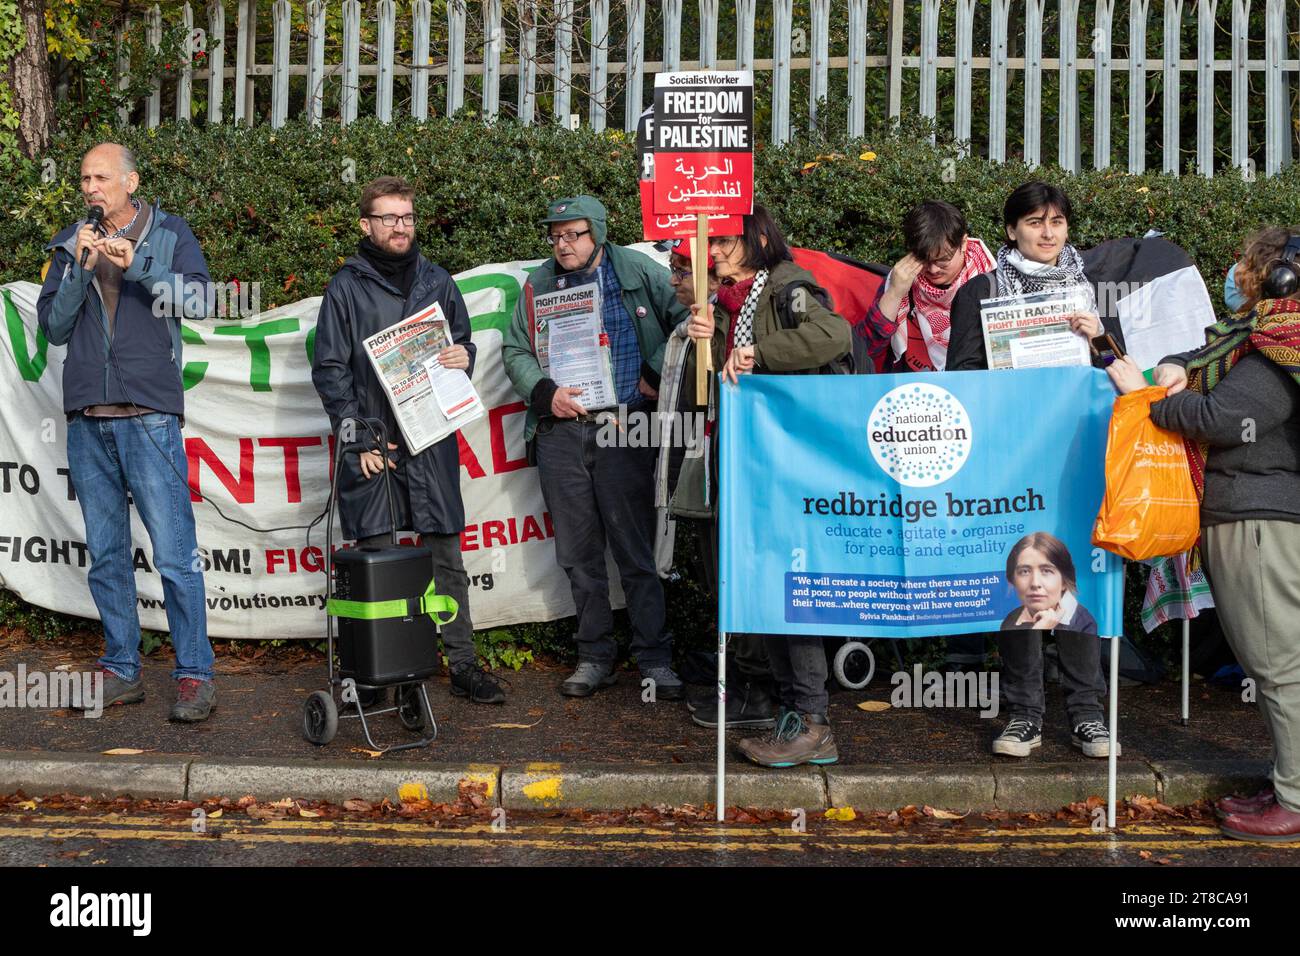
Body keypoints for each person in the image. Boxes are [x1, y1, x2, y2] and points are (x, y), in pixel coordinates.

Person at [1107, 224, 1300, 843]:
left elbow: (1224, 418)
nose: (1237, 271)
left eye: (1247, 263)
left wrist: (1145, 395)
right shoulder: (1252, 338)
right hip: (1246, 517)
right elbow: (1206, 368)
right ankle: (1290, 778)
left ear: (1276, 277)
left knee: (1277, 666)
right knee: (1277, 662)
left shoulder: (1279, 347)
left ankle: (1296, 799)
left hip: (1258, 521)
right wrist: (1178, 365)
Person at [36, 142, 216, 722]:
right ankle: (120, 670)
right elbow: (54, 328)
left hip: (150, 416)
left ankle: (194, 675)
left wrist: (136, 261)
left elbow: (201, 300)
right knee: (107, 553)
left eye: (101, 177)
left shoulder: (168, 233)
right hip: (90, 419)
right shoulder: (70, 243)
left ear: (130, 181)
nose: (91, 188)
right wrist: (80, 267)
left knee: (174, 555)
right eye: (85, 178)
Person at [311, 175, 505, 705]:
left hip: (431, 441)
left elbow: (461, 345)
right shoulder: (345, 287)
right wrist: (358, 443)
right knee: (377, 560)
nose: (401, 227)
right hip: (374, 447)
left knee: (446, 559)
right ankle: (376, 675)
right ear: (366, 225)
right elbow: (330, 371)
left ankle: (462, 665)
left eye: (408, 217)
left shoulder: (439, 281)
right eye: (390, 218)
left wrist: (463, 355)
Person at [679, 204, 853, 765]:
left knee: (792, 587)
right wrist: (699, 345)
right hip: (747, 465)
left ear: (756, 239)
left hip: (788, 468)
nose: (714, 253)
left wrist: (757, 353)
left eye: (726, 241)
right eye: (711, 245)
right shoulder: (724, 304)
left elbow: (834, 334)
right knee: (766, 589)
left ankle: (814, 720)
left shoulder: (785, 284)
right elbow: (702, 399)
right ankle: (793, 714)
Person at [502, 196, 687, 699]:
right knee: (577, 554)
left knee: (636, 549)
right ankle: (594, 657)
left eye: (575, 234)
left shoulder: (638, 270)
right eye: (556, 235)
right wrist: (545, 393)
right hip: (563, 432)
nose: (563, 244)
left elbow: (686, 321)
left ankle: (655, 658)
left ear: (598, 233)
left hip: (626, 427)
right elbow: (515, 349)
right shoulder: (538, 283)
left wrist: (653, 371)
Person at [946, 180, 1122, 372]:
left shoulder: (1093, 289)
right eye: (1035, 223)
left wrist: (1097, 341)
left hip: (1080, 400)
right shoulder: (980, 291)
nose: (1048, 234)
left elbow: (1119, 369)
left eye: (1056, 222)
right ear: (1012, 231)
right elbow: (961, 374)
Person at [994, 532, 1111, 758]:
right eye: (1024, 571)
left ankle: (1087, 716)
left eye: (1047, 571)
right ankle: (1024, 716)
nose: (1036, 583)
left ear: (1064, 577)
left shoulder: (1084, 617)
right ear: (1011, 579)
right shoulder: (1012, 618)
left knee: (1079, 621)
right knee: (1016, 624)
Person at [857, 200, 994, 373]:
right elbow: (864, 349)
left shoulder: (990, 284)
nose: (933, 269)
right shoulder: (902, 279)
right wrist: (894, 293)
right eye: (923, 260)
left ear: (963, 243)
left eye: (943, 259)